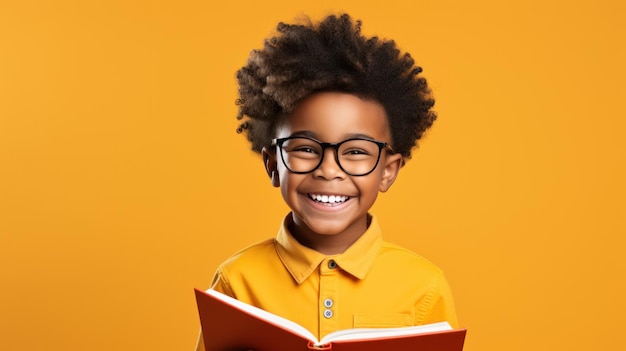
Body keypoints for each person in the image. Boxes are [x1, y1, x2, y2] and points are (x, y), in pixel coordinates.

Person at [195, 13, 458, 351]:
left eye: (355, 151)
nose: (329, 170)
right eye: (306, 148)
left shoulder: (425, 286)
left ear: (388, 171)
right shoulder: (237, 280)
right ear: (273, 164)